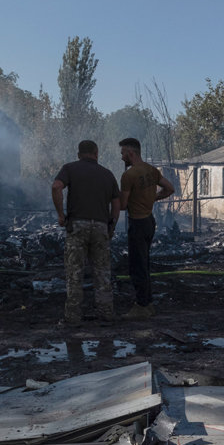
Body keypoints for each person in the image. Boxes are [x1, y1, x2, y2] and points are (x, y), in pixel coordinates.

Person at [52, 140, 120, 327]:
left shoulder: (70, 168)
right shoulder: (107, 174)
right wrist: (112, 225)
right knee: (102, 272)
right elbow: (116, 203)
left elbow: (56, 186)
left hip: (77, 226)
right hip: (100, 227)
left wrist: (60, 214)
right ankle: (106, 314)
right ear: (96, 153)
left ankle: (73, 317)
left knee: (75, 272)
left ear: (78, 154)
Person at [118, 137, 175, 319]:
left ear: (131, 153)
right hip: (150, 222)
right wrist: (153, 199)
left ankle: (142, 305)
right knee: (145, 263)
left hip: (137, 223)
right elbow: (169, 189)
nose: (121, 157)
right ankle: (147, 303)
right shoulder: (152, 171)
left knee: (137, 266)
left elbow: (123, 205)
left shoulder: (129, 175)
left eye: (123, 153)